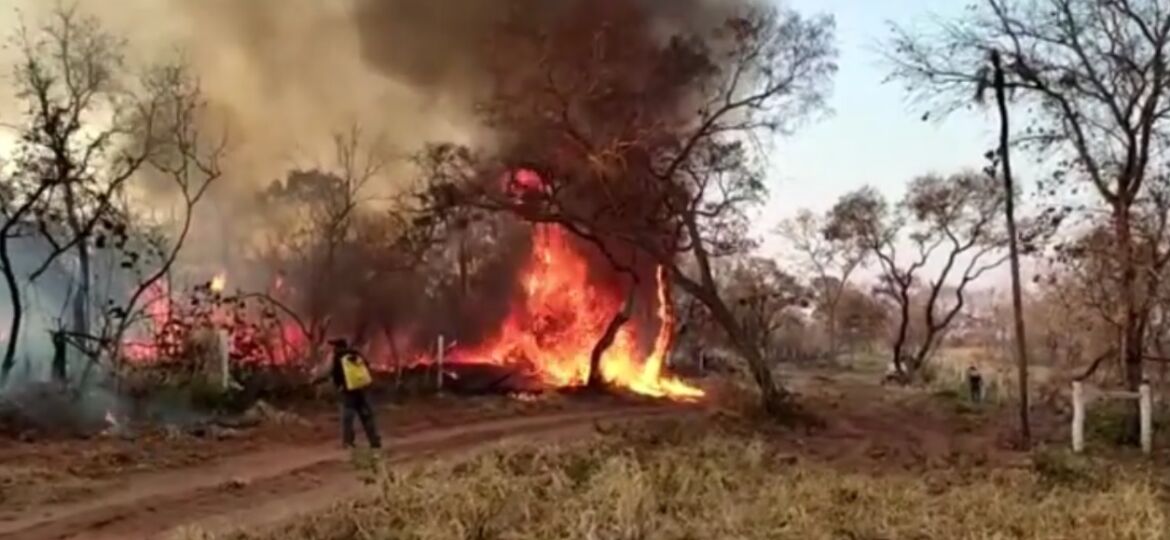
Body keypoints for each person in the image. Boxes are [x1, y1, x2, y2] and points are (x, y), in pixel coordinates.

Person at [315, 338, 382, 450]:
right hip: (361, 389)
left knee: (347, 418)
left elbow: (327, 372)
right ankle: (374, 441)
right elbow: (366, 366)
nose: (332, 348)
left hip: (347, 391)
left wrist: (316, 380)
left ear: (337, 347)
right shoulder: (356, 354)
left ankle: (348, 443)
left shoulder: (336, 356)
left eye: (333, 346)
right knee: (366, 415)